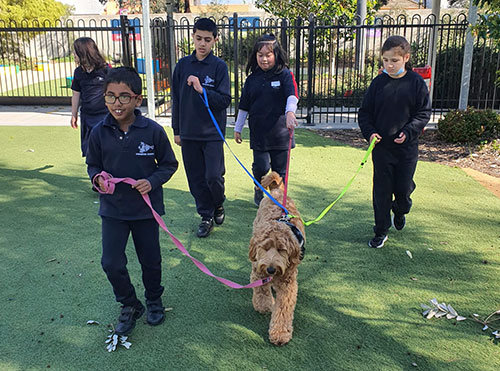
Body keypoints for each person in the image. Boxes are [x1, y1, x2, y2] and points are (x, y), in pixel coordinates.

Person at [86, 67, 178, 335]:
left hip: (145, 211)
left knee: (150, 260)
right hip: (113, 210)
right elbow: (93, 165)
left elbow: (169, 164)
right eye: (110, 96)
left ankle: (153, 299)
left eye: (124, 97)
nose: (116, 103)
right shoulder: (99, 132)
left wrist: (152, 181)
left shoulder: (152, 131)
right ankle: (129, 303)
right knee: (111, 262)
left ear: (138, 100)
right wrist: (97, 179)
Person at [358, 35, 431, 249]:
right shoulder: (378, 83)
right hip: (381, 149)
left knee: (402, 190)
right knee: (381, 191)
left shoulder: (416, 83)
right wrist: (370, 133)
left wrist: (408, 132)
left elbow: (423, 113)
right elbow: (365, 113)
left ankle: (401, 209)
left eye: (394, 61)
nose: (389, 65)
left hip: (407, 150)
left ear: (406, 58)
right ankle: (381, 230)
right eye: (386, 60)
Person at [171, 18, 231, 238]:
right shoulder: (183, 65)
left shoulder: (219, 67)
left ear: (215, 40)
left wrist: (201, 89)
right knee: (196, 178)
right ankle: (206, 215)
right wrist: (176, 130)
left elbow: (224, 100)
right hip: (188, 133)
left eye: (207, 39)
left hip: (212, 133)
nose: (202, 44)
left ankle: (218, 203)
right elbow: (176, 99)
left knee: (213, 176)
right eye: (198, 39)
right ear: (193, 37)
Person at [234, 34, 299, 206]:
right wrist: (238, 128)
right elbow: (244, 105)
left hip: (281, 133)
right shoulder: (252, 79)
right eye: (260, 55)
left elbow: (292, 95)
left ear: (276, 55)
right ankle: (258, 187)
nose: (264, 59)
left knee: (280, 172)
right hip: (259, 133)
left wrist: (290, 113)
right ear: (255, 56)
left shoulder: (285, 74)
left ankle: (277, 201)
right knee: (261, 167)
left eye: (268, 55)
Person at [70, 37, 110, 157]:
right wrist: (74, 114)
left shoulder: (105, 70)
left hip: (104, 115)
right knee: (89, 150)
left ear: (83, 53)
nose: (73, 55)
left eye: (75, 52)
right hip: (87, 116)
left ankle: (109, 174)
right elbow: (76, 94)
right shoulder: (78, 72)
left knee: (105, 149)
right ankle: (95, 174)